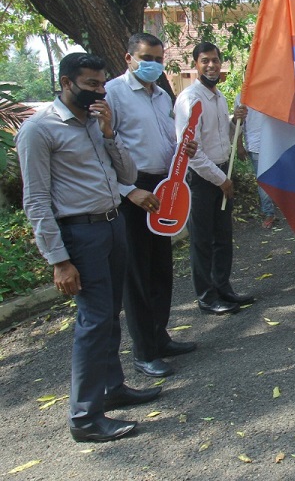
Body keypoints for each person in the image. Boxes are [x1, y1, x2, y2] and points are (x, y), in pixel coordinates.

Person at [17, 52, 160, 442]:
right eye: (91, 85)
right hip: (80, 235)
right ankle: (84, 418)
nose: (99, 91)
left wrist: (110, 133)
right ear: (66, 82)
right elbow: (36, 201)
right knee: (94, 322)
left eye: (101, 84)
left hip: (113, 226)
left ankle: (113, 389)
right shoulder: (39, 130)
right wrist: (58, 260)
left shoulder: (96, 124)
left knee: (111, 315)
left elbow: (128, 175)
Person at [106, 33, 199, 378]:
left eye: (158, 59)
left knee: (161, 267)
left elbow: (166, 140)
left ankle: (160, 337)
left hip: (163, 187)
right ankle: (144, 352)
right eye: (146, 57)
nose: (153, 65)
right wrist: (128, 190)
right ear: (128, 57)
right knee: (137, 274)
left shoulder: (162, 95)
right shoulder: (113, 94)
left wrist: (183, 151)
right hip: (134, 192)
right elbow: (102, 151)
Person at [174, 42, 254, 315]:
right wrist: (221, 180)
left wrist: (236, 121)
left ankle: (223, 288)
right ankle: (207, 297)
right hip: (201, 180)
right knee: (202, 240)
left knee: (223, 237)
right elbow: (191, 152)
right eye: (205, 60)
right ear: (196, 64)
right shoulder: (191, 100)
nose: (211, 65)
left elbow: (225, 136)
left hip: (222, 173)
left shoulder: (218, 96)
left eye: (215, 60)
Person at [235, 92, 277, 229]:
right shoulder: (242, 97)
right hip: (256, 146)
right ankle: (269, 213)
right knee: (263, 182)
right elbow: (238, 124)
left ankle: (281, 206)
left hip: (275, 144)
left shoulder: (271, 92)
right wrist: (240, 146)